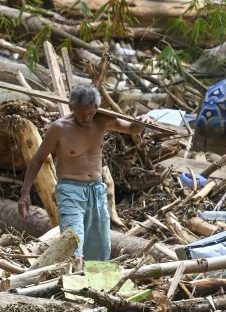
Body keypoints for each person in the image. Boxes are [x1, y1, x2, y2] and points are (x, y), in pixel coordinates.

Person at [17, 85, 148, 269]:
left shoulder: (102, 120)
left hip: (96, 190)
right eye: (81, 114)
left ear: (96, 108)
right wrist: (25, 192)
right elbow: (37, 160)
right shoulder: (60, 128)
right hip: (70, 191)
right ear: (72, 108)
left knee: (100, 244)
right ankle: (72, 285)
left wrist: (143, 121)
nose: (86, 118)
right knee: (73, 241)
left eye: (90, 113)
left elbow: (134, 128)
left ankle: (97, 287)